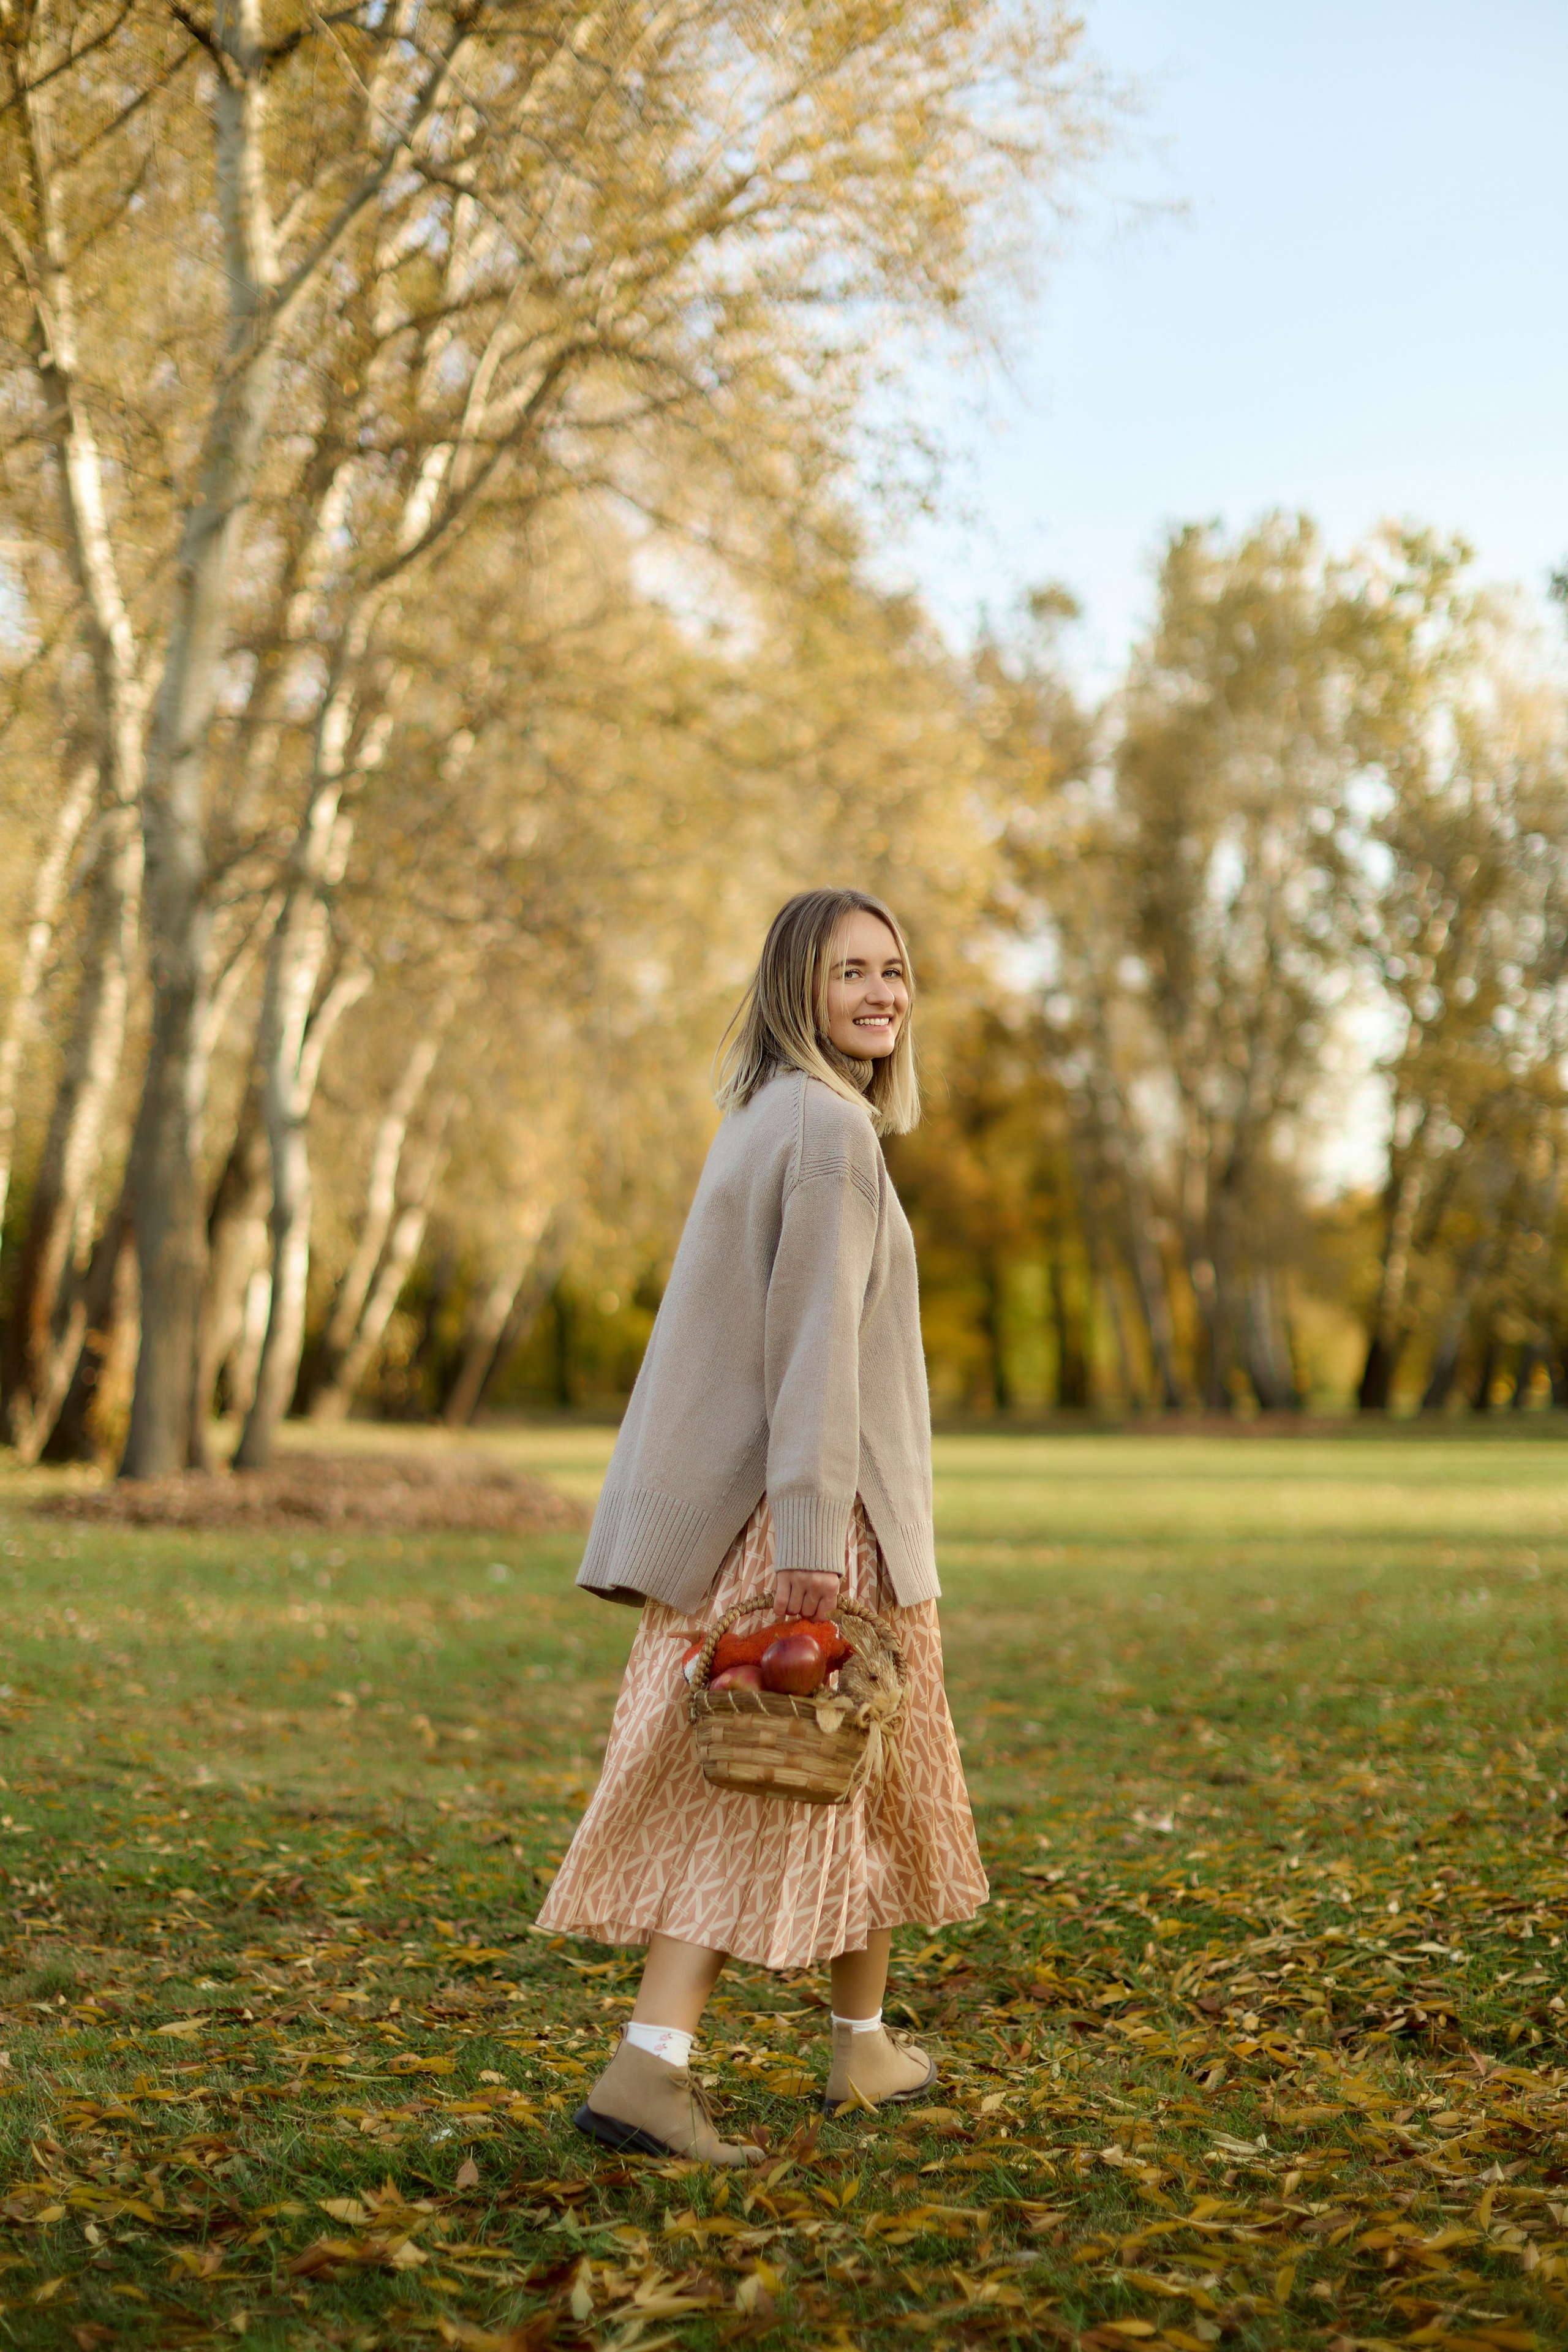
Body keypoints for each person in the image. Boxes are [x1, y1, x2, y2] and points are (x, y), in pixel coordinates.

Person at [535, 887, 987, 2165]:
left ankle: (862, 2045)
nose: (882, 992)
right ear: (798, 988)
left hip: (821, 1512)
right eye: (850, 971)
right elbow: (809, 1361)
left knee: (865, 1772)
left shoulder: (779, 1116)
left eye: (894, 969)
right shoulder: (824, 1132)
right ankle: (647, 2068)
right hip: (809, 1522)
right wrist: (806, 1544)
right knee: (768, 1780)